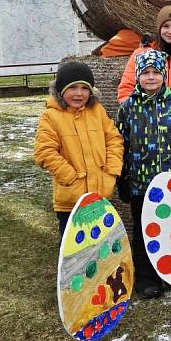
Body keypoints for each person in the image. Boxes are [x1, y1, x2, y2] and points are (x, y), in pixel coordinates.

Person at [116, 49, 171, 298]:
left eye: (156, 73)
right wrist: (123, 178)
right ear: (138, 76)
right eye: (146, 73)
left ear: (164, 75)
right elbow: (120, 144)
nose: (151, 77)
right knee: (143, 233)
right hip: (141, 184)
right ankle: (147, 279)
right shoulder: (128, 108)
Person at [34, 61, 124, 242]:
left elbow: (114, 139)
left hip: (100, 197)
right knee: (74, 250)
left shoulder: (97, 111)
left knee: (100, 247)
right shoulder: (51, 116)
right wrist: (70, 177)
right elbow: (44, 151)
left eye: (84, 88)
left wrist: (111, 171)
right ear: (60, 90)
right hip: (71, 201)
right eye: (73, 87)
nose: (79, 93)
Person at [117, 5, 171, 104]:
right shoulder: (141, 54)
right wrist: (134, 113)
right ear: (159, 29)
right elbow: (125, 89)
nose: (170, 31)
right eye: (166, 26)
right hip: (144, 115)